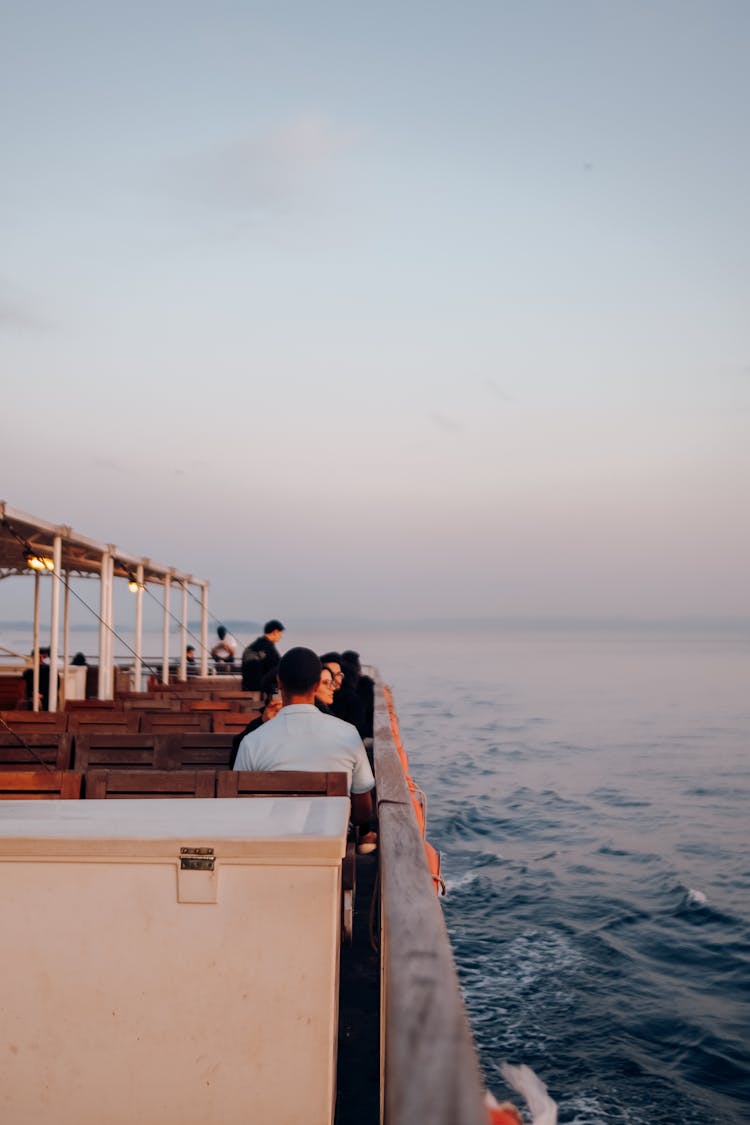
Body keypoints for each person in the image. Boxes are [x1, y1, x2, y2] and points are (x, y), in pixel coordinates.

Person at [234, 647, 375, 833]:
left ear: (279, 682)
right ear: (317, 685)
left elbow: (240, 809)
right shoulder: (348, 734)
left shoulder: (252, 742)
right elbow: (362, 814)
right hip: (330, 850)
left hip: (269, 846)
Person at [241, 619, 284, 691]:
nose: (281, 636)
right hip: (260, 686)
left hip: (247, 685)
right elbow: (277, 665)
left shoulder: (255, 645)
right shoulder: (268, 646)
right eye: (280, 633)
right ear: (275, 632)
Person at [23, 646, 51, 710]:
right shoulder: (29, 672)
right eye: (38, 657)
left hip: (46, 699)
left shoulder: (50, 672)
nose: (41, 659)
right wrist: (33, 694)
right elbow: (26, 687)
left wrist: (41, 695)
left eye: (43, 657)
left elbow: (53, 688)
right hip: (32, 698)